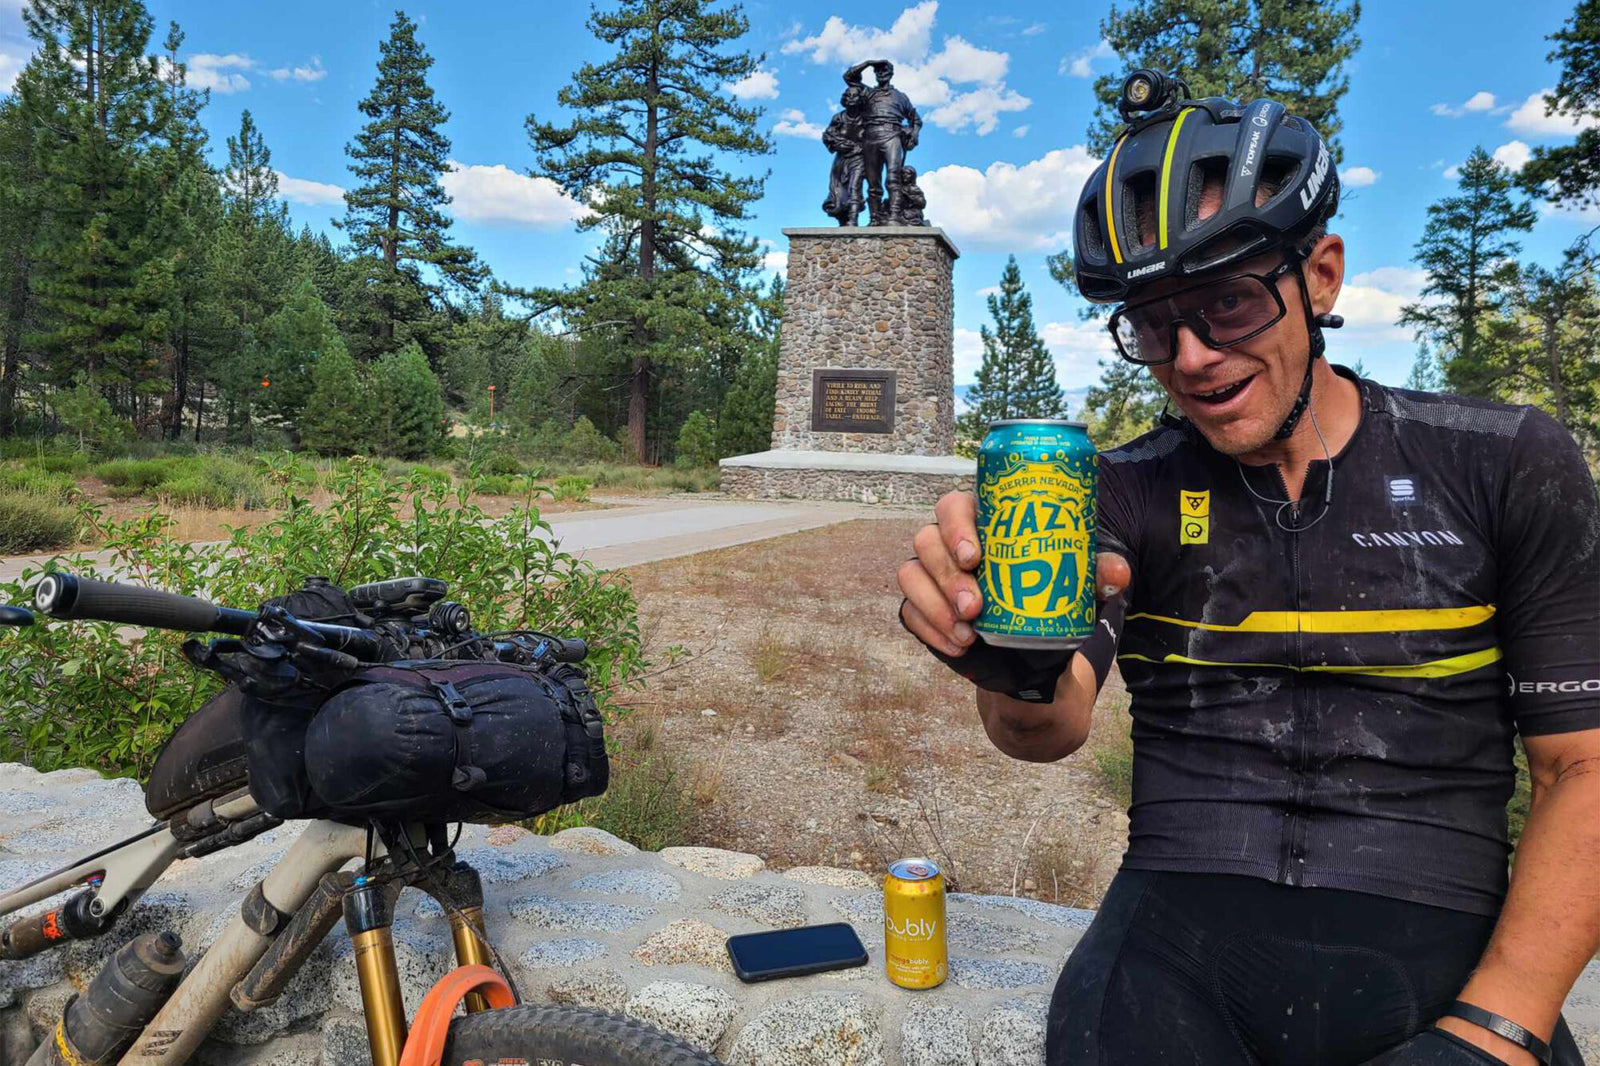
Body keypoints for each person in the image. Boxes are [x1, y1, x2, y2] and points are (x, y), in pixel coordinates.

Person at [898, 82, 1598, 1066]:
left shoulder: (1500, 461)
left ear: (1320, 275)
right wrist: (1005, 661)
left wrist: (1500, 1027)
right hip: (1174, 931)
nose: (1189, 357)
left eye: (1226, 300)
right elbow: (1047, 726)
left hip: (1434, 919)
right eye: (1151, 322)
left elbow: (1584, 765)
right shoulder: (1122, 488)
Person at [845, 59, 921, 226]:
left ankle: (894, 216)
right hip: (870, 137)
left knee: (893, 178)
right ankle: (875, 218)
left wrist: (913, 134)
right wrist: (868, 63)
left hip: (892, 135)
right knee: (873, 182)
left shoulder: (901, 97)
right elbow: (849, 77)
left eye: (885, 70)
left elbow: (916, 120)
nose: (881, 73)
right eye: (878, 70)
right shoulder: (868, 93)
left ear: (891, 73)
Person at [822, 84, 867, 226]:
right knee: (838, 191)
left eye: (855, 96)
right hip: (841, 159)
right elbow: (828, 136)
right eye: (849, 96)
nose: (852, 99)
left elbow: (875, 137)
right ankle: (843, 219)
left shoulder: (867, 118)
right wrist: (839, 144)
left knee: (855, 186)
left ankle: (853, 219)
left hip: (859, 157)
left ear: (861, 99)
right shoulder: (839, 118)